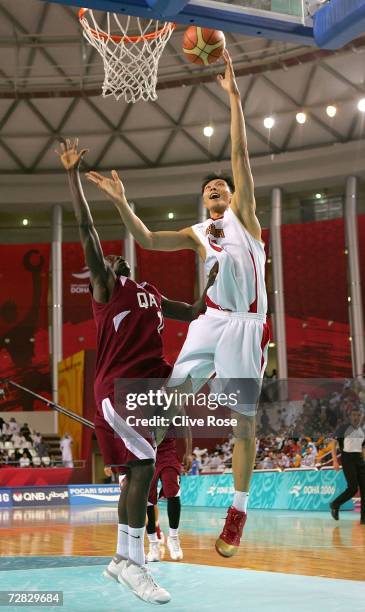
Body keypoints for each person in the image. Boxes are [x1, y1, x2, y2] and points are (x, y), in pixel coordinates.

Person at [86, 48, 269, 558]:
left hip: (247, 327)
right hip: (210, 321)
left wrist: (233, 100)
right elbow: (144, 237)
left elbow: (239, 158)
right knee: (164, 400)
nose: (217, 188)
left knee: (243, 422)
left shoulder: (246, 221)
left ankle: (238, 511)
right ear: (202, 201)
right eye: (209, 187)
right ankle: (138, 463)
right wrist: (121, 199)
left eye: (223, 187)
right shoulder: (198, 232)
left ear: (233, 197)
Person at [56, 138, 216, 604]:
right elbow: (86, 231)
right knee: (144, 466)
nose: (109, 258)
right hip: (118, 389)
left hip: (149, 389)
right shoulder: (107, 289)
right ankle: (136, 564)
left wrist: (209, 283)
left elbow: (190, 311)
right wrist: (72, 176)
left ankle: (120, 560)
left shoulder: (149, 291)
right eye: (104, 259)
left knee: (134, 474)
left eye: (113, 257)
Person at [330, 407, 365, 525]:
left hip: (359, 459)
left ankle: (364, 519)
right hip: (347, 458)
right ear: (350, 416)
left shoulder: (362, 430)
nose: (356, 417)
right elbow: (333, 445)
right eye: (354, 415)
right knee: (353, 487)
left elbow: (363, 448)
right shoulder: (343, 428)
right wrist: (335, 461)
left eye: (358, 415)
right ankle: (335, 504)